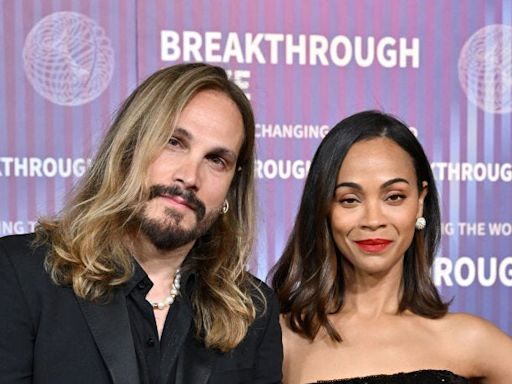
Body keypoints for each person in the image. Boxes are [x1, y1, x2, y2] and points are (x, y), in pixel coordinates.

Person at [0, 63, 282, 384]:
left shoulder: (253, 312)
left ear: (232, 187)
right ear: (129, 147)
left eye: (216, 160)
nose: (189, 177)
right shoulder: (20, 274)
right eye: (173, 142)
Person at [271, 110, 512, 384]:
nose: (373, 220)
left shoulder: (469, 340)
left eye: (394, 197)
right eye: (350, 200)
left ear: (420, 201)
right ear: (324, 208)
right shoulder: (283, 341)